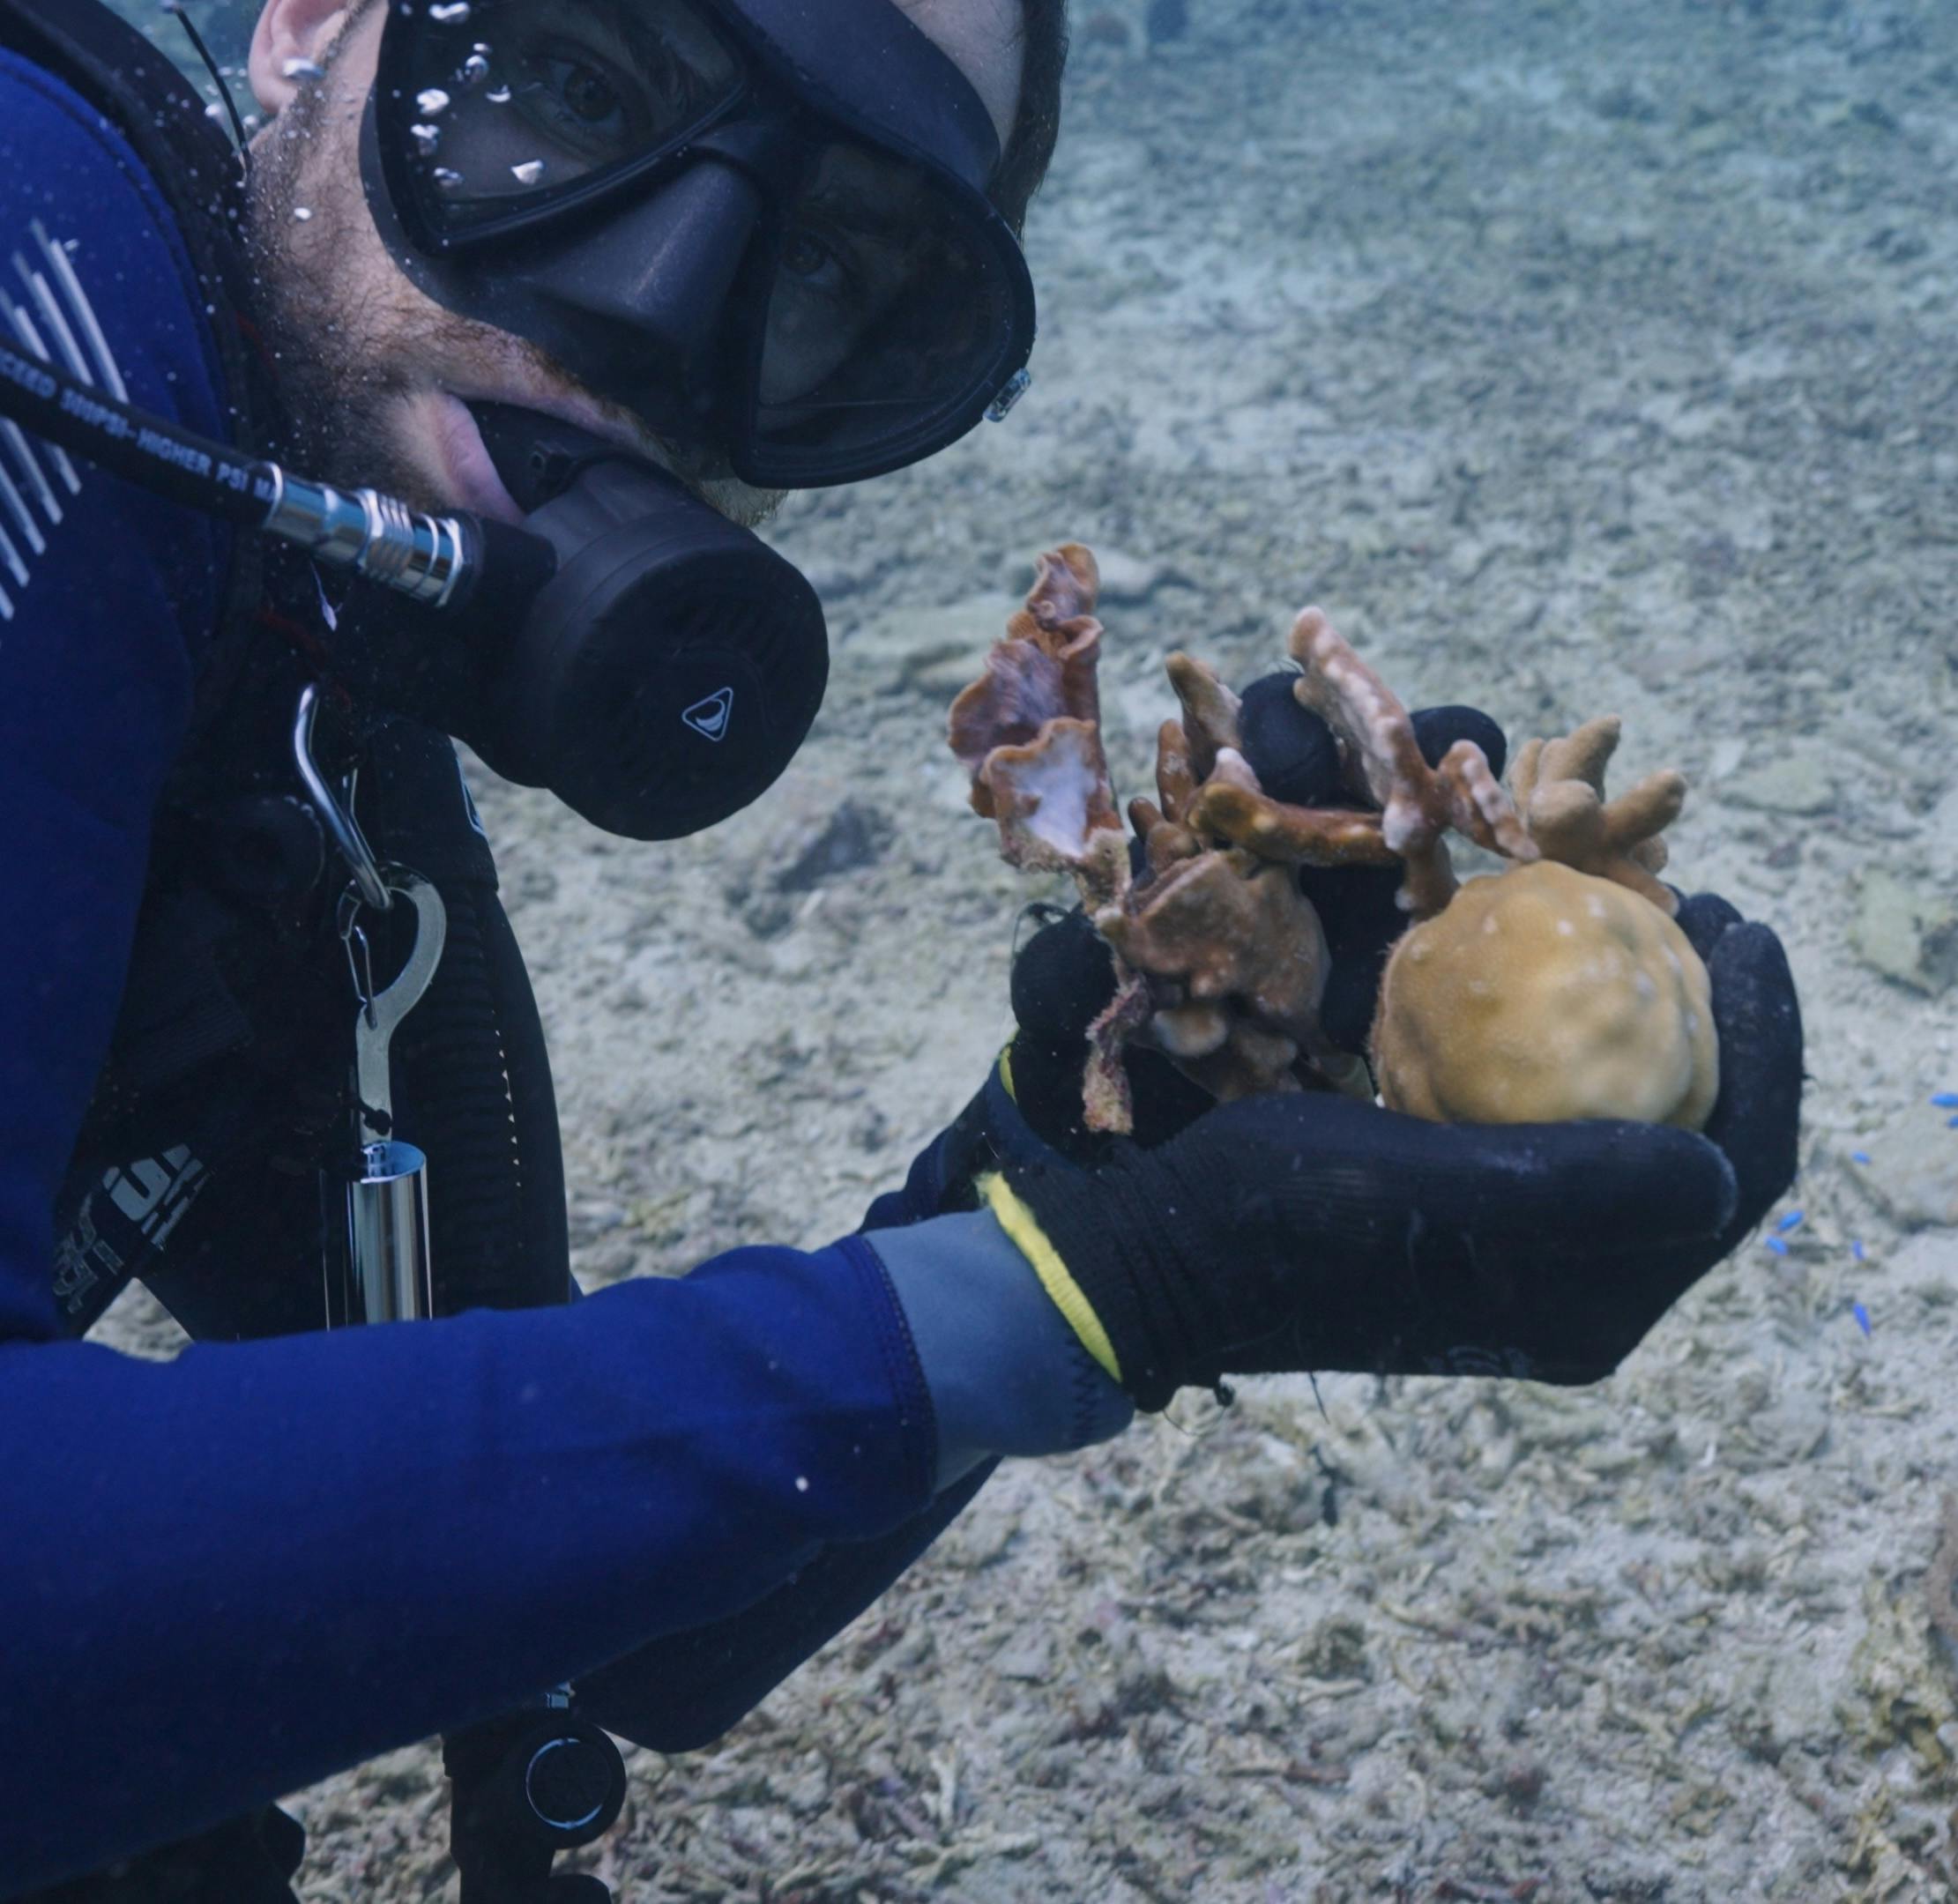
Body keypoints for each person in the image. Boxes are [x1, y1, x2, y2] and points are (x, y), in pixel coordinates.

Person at [0, 0, 1805, 1897]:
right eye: (582, 82)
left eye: (843, 262)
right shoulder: (46, 299)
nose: (659, 304)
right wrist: (1082, 1303)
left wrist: (1088, 1150)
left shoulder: (298, 708)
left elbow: (576, 1616)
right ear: (309, 23)